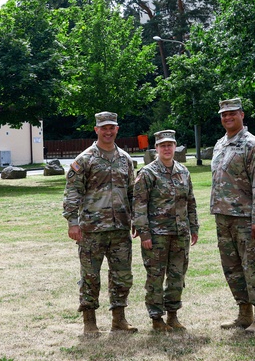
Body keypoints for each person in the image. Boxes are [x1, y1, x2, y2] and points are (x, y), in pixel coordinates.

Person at [62, 111, 138, 335]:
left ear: (117, 129)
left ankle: (119, 319)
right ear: (96, 130)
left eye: (112, 127)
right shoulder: (85, 159)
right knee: (90, 277)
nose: (108, 131)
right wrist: (72, 223)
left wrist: (136, 219)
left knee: (122, 276)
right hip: (92, 230)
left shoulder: (126, 159)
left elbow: (132, 192)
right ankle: (90, 322)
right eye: (103, 127)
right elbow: (72, 193)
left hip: (120, 229)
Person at [210, 97, 255, 333]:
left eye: (232, 114)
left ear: (242, 115)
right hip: (223, 217)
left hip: (247, 219)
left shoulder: (253, 145)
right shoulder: (220, 144)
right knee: (232, 268)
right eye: (224, 115)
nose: (227, 118)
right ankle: (244, 313)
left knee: (252, 267)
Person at [134, 129, 199, 332]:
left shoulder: (183, 171)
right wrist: (144, 233)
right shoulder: (148, 173)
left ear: (175, 146)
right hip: (156, 236)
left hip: (180, 233)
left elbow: (190, 201)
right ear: (157, 148)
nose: (167, 149)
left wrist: (194, 227)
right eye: (163, 146)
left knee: (177, 276)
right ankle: (156, 319)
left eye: (170, 145)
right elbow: (139, 205)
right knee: (155, 277)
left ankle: (173, 315)